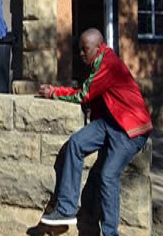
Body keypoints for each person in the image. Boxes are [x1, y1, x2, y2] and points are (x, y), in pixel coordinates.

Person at [38, 28, 152, 236]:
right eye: (80, 50)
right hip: (111, 122)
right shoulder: (99, 62)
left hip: (131, 129)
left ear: (99, 47)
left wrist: (54, 92)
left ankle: (110, 233)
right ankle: (65, 210)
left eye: (86, 49)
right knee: (76, 143)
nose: (82, 54)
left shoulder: (108, 65)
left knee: (108, 175)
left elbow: (84, 94)